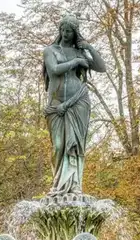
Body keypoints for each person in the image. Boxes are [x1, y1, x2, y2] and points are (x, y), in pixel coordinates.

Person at [43, 14, 106, 196]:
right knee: (57, 145)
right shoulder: (50, 50)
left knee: (76, 144)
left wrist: (88, 48)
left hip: (79, 101)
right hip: (56, 104)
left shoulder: (80, 51)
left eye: (69, 31)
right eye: (62, 30)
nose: (65, 33)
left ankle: (75, 184)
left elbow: (101, 68)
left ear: (75, 32)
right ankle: (58, 185)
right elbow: (54, 70)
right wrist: (76, 62)